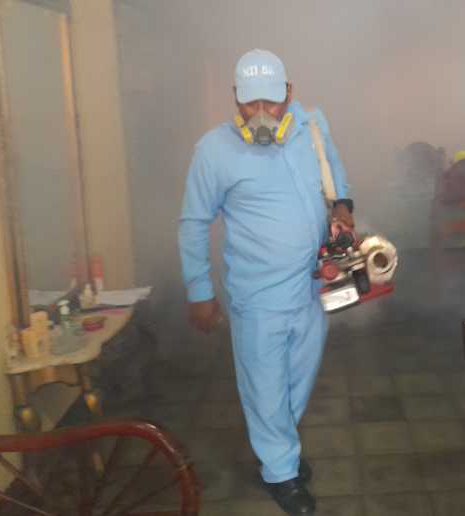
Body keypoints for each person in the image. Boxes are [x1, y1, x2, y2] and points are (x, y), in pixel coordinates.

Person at [178, 49, 354, 515]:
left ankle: (281, 449)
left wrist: (343, 207)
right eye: (249, 102)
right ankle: (280, 472)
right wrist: (199, 292)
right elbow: (194, 223)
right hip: (257, 296)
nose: (260, 113)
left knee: (299, 379)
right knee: (266, 388)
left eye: (271, 102)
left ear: (288, 94)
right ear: (235, 98)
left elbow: (334, 169)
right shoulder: (214, 151)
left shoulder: (311, 127)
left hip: (312, 286)